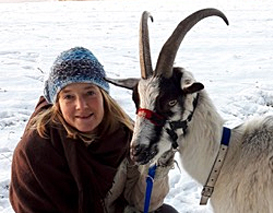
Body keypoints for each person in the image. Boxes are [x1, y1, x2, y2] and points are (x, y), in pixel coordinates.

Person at [9, 47, 178, 213]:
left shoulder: (125, 133)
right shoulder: (34, 152)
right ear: (57, 103)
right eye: (68, 96)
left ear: (103, 95)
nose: (81, 106)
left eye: (90, 93)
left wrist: (159, 161)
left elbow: (142, 203)